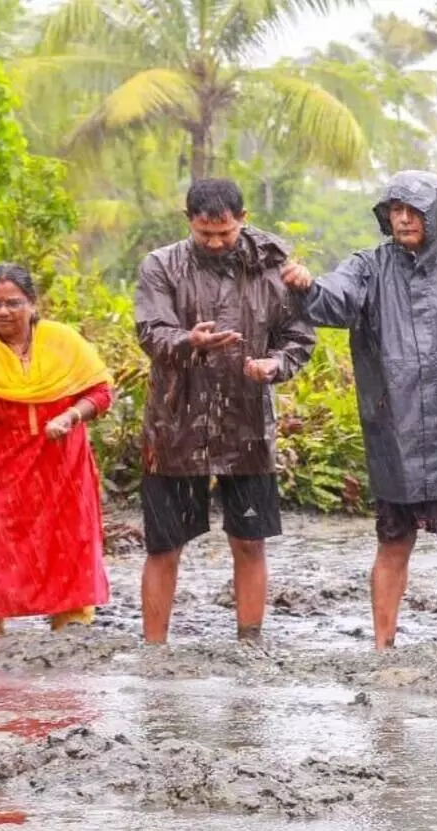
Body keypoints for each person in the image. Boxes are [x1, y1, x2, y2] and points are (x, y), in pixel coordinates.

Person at [280, 171, 437, 652]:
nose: (404, 219)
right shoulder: (367, 267)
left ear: (436, 215)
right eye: (395, 211)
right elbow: (333, 301)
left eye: (414, 211)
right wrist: (307, 287)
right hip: (396, 430)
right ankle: (382, 647)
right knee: (393, 543)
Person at [135, 179, 316, 644]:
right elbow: (151, 331)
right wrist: (188, 341)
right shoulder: (162, 266)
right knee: (164, 544)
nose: (215, 243)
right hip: (175, 425)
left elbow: (299, 337)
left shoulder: (276, 269)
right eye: (205, 235)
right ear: (188, 221)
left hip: (248, 426)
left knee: (249, 541)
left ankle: (250, 641)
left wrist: (275, 365)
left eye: (225, 234)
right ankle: (154, 649)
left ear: (243, 218)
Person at [0, 264, 115, 638]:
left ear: (32, 303)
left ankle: (71, 633)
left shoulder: (63, 341)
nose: (3, 311)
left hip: (62, 469)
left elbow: (101, 392)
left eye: (13, 303)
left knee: (68, 547)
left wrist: (72, 415)